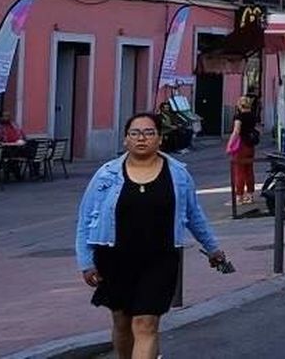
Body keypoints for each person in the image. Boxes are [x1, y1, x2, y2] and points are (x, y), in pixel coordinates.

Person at [76, 113, 227, 359]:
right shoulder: (106, 175)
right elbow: (85, 219)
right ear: (125, 140)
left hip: (160, 259)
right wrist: (86, 261)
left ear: (159, 138)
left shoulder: (178, 174)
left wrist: (213, 248)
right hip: (115, 258)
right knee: (123, 323)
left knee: (145, 324)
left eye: (149, 133)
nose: (141, 139)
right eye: (135, 133)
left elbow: (194, 215)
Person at [228, 96, 261, 204]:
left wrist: (230, 144)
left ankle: (239, 197)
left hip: (241, 146)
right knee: (249, 171)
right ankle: (250, 195)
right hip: (251, 145)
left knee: (239, 172)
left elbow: (236, 131)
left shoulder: (239, 117)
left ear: (239, 105)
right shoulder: (252, 116)